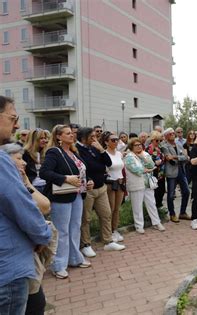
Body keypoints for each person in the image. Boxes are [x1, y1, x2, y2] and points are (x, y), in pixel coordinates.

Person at [0, 96, 51, 314]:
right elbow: (19, 203)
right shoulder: (2, 161)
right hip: (7, 268)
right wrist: (42, 236)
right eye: (13, 117)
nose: (18, 124)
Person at [40, 124, 93, 279]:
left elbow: (82, 172)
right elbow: (44, 172)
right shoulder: (54, 152)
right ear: (58, 136)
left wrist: (88, 181)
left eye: (72, 133)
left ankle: (75, 258)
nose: (72, 135)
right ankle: (58, 265)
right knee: (62, 231)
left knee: (75, 228)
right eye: (68, 133)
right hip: (61, 196)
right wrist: (65, 178)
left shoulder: (74, 152)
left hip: (77, 194)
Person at [77, 128, 125, 257]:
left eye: (95, 136)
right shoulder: (77, 149)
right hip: (88, 189)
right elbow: (84, 167)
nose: (95, 138)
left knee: (106, 214)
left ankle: (108, 241)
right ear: (83, 138)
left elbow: (108, 163)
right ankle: (86, 244)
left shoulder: (95, 148)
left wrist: (101, 150)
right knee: (85, 218)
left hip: (101, 186)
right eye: (92, 136)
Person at [124, 138, 165, 233]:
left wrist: (144, 158)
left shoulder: (145, 154)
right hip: (136, 184)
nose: (139, 146)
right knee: (137, 206)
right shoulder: (129, 157)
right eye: (136, 145)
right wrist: (146, 169)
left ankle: (156, 222)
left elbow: (151, 165)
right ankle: (139, 226)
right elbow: (136, 170)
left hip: (148, 184)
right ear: (131, 147)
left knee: (152, 204)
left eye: (140, 145)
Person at [162, 128, 191, 223]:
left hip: (181, 171)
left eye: (173, 133)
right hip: (171, 172)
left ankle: (182, 212)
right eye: (170, 134)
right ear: (166, 136)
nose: (173, 135)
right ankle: (172, 214)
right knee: (170, 195)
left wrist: (174, 157)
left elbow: (186, 158)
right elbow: (169, 159)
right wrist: (180, 158)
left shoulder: (179, 144)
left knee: (186, 192)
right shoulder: (164, 146)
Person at [102, 132, 126, 243]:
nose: (116, 141)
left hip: (120, 183)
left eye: (117, 139)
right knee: (110, 209)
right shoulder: (104, 154)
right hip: (110, 184)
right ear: (106, 142)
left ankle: (115, 229)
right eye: (113, 140)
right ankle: (108, 232)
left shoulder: (119, 154)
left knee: (117, 209)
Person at [146, 131, 167, 213]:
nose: (158, 142)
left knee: (161, 190)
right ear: (152, 140)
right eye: (157, 140)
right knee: (155, 191)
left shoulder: (160, 148)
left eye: (160, 140)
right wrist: (155, 162)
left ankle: (159, 206)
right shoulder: (148, 149)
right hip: (153, 173)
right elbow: (147, 161)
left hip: (161, 173)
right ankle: (153, 209)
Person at [23, 128, 49, 192]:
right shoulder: (25, 153)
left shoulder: (46, 153)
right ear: (33, 140)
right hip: (33, 187)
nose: (44, 140)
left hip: (46, 186)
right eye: (41, 138)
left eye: (44, 138)